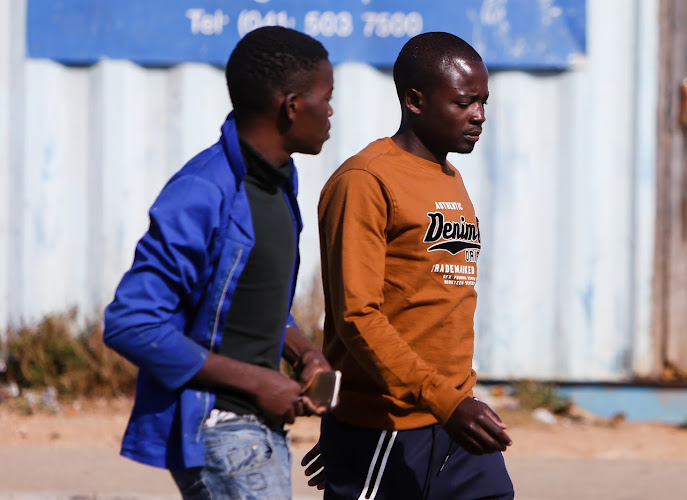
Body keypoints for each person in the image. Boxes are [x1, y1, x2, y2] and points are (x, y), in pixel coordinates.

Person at [103, 26, 334, 500]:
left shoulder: (276, 185)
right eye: (325, 98)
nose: (330, 111)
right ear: (291, 106)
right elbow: (131, 321)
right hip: (222, 433)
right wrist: (259, 381)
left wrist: (303, 352)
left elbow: (245, 301)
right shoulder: (204, 191)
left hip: (259, 435)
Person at [303, 32, 514, 499]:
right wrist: (337, 420)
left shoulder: (450, 177)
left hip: (455, 423)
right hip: (390, 428)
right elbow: (354, 318)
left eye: (483, 101)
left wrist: (455, 405)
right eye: (464, 102)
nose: (479, 115)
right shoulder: (365, 181)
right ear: (415, 100)